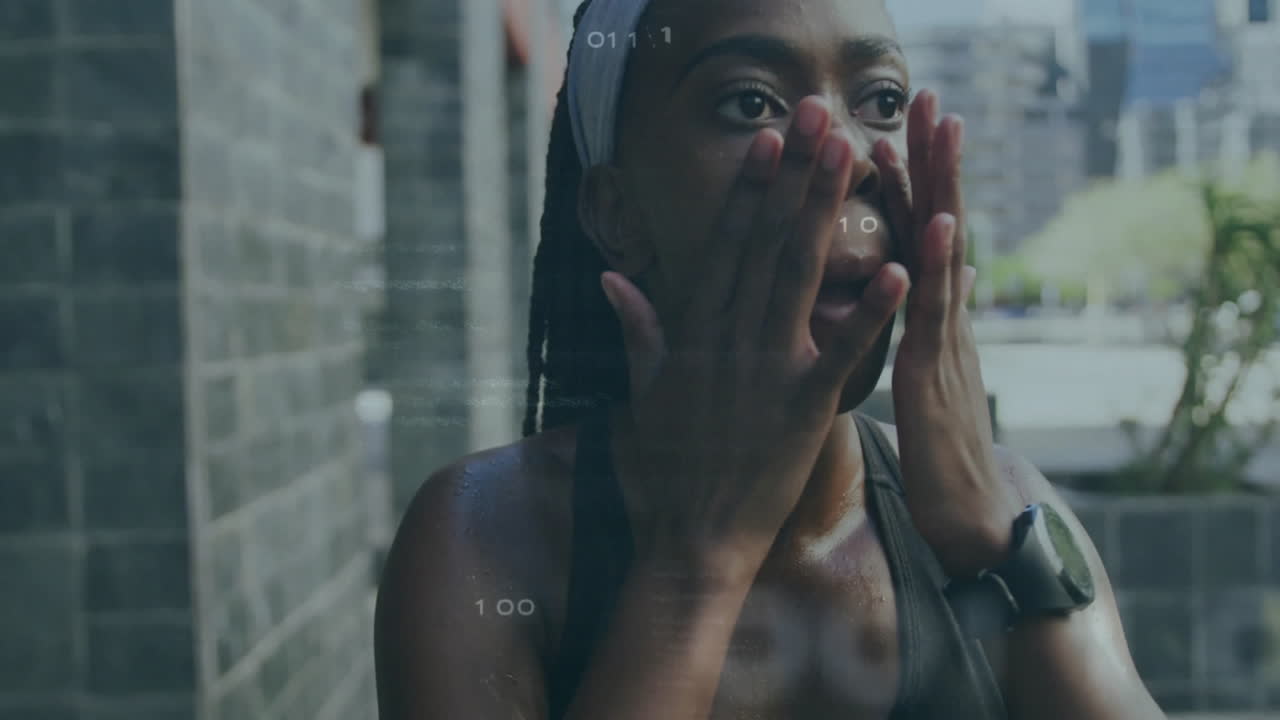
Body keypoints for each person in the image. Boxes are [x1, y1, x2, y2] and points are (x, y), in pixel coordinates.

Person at [374, 0, 1169, 718]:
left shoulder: (1014, 507)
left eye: (882, 101)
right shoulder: (484, 539)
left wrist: (998, 551)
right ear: (616, 212)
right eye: (750, 102)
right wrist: (696, 562)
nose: (849, 155)